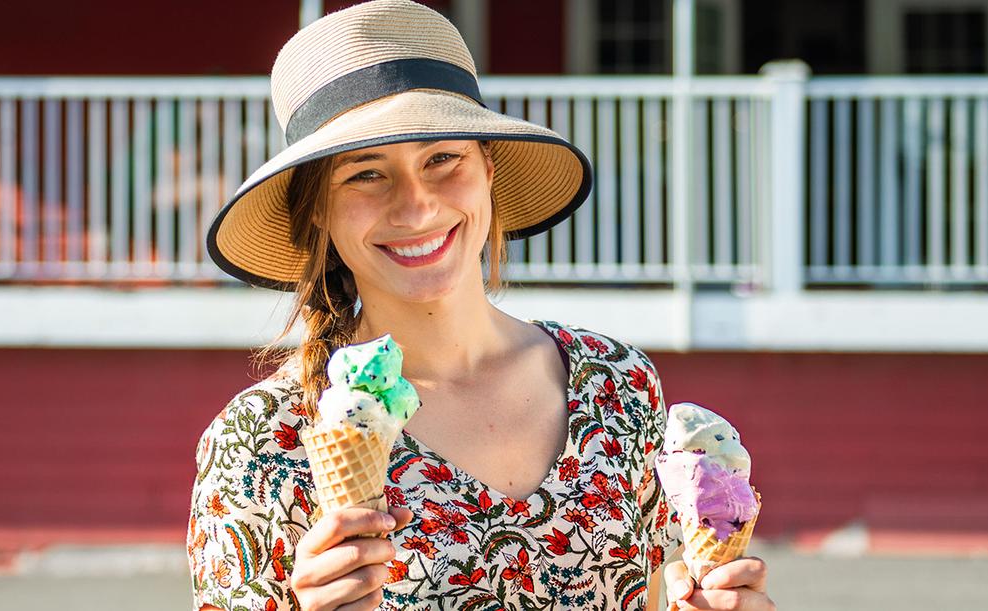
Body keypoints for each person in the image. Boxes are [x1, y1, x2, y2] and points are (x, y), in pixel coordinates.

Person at [186, 2, 774, 609]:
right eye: (365, 174)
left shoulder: (619, 385)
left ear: (487, 170)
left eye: (442, 159)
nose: (416, 208)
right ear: (316, 210)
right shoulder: (260, 442)